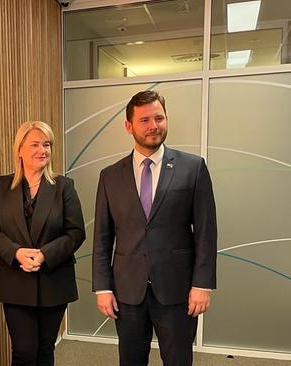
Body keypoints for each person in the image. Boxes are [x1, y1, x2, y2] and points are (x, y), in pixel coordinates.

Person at [92, 90, 217, 365]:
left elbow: (206, 232)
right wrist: (102, 287)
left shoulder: (192, 168)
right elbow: (102, 237)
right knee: (131, 360)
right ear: (129, 126)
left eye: (159, 118)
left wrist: (202, 284)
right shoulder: (110, 176)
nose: (153, 126)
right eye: (145, 120)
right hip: (127, 291)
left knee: (177, 360)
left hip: (177, 290)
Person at [0, 121, 86, 366]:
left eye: (47, 144)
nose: (43, 150)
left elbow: (76, 232)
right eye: (35, 144)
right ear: (19, 150)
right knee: (24, 352)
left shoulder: (64, 186)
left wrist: (45, 255)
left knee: (45, 350)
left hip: (54, 281)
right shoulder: (0, 186)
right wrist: (16, 252)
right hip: (14, 281)